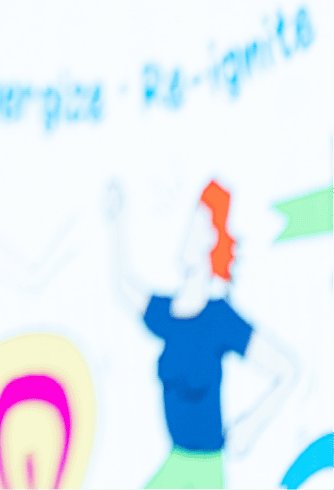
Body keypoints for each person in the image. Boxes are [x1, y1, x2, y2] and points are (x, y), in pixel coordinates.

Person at [106, 181, 294, 489]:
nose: (186, 235)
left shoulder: (219, 319)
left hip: (205, 468)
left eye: (197, 224)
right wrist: (117, 222)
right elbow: (126, 287)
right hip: (177, 461)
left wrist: (251, 424)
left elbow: (286, 370)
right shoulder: (170, 315)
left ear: (211, 240)